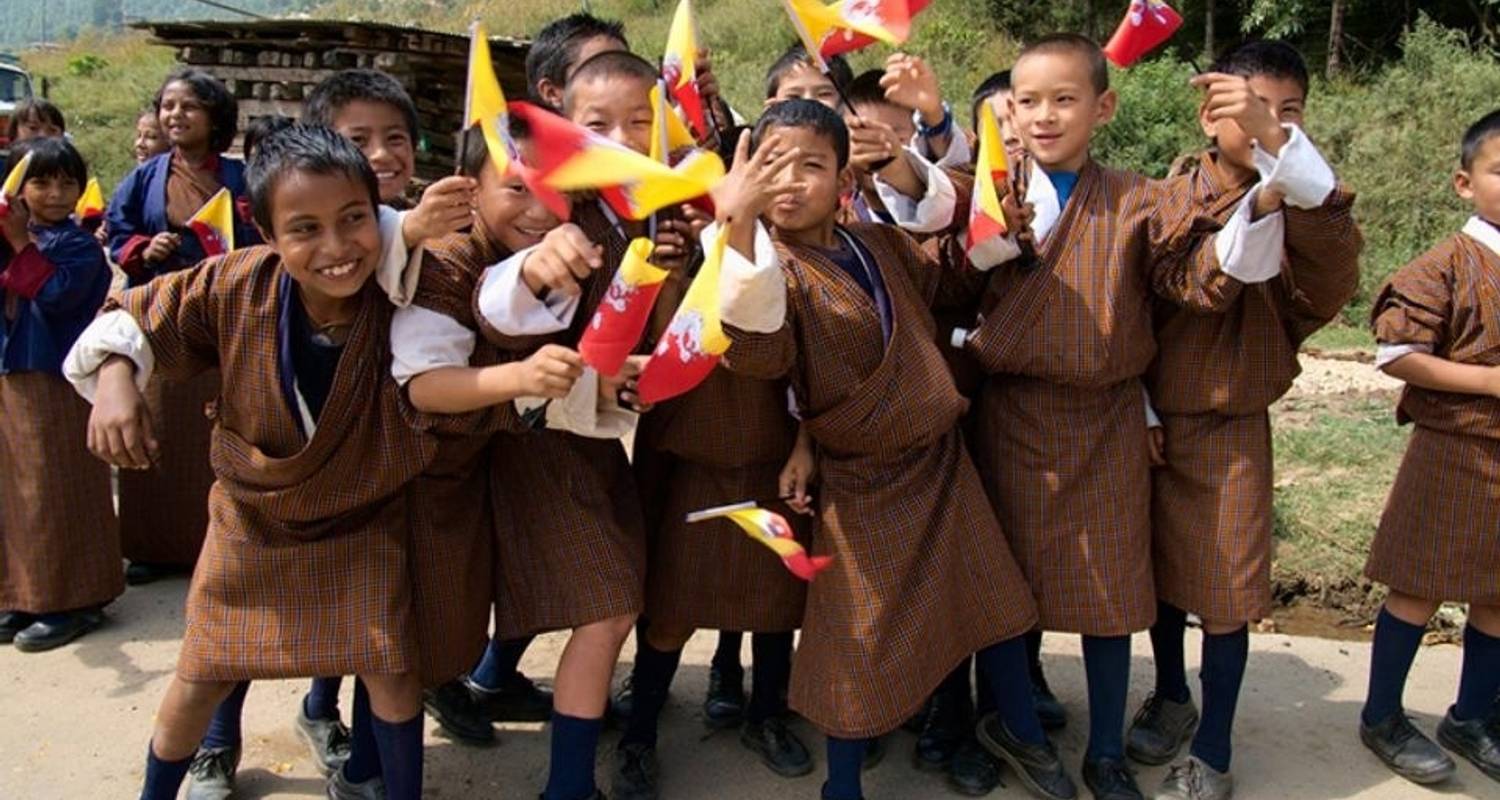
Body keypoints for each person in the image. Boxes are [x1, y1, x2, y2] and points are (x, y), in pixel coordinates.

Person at [955, 34, 1288, 800]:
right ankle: (1022, 732)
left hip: (1106, 422)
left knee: (1112, 597)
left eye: (1065, 99)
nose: (1044, 116)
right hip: (1012, 419)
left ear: (1102, 107)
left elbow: (1190, 278)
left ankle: (1105, 749)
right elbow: (947, 278)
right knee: (1008, 591)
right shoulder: (991, 192)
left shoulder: (1140, 197)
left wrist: (1262, 202)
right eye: (1028, 101)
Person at [715, 97, 1076, 800]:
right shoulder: (770, 269)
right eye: (771, 167)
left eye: (811, 166)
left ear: (844, 179)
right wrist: (739, 225)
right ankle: (841, 786)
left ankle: (1021, 734)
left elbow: (947, 278)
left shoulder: (873, 244)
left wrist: (998, 227)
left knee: (995, 602)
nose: (790, 183)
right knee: (858, 636)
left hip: (939, 460)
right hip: (864, 478)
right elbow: (757, 354)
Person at [66, 123, 435, 800]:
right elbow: (133, 314)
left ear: (380, 215)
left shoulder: (408, 289)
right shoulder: (235, 283)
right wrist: (116, 382)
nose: (336, 247)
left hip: (362, 515)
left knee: (390, 664)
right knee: (202, 672)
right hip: (252, 518)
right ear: (265, 231)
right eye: (305, 229)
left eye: (354, 220)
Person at [1131, 41, 1360, 800]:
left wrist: (1275, 187)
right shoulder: (1163, 199)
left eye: (1287, 113)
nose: (1268, 125)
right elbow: (1170, 289)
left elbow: (1330, 281)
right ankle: (1170, 693)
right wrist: (1141, 406)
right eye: (1252, 108)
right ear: (1208, 114)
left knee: (1226, 590)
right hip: (1156, 418)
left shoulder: (1303, 202)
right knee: (1161, 576)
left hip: (1232, 427)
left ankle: (1216, 750)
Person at [1358, 107, 1500, 789]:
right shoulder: (1446, 264)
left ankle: (1471, 717)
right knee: (1417, 587)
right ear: (1463, 182)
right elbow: (1397, 353)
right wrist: (1491, 382)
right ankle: (1382, 715)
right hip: (1455, 451)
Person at [104, 68, 262, 589]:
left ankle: (218, 536)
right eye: (168, 106)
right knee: (164, 422)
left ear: (214, 116)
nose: (175, 116)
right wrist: (143, 250)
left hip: (226, 313)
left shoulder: (239, 178)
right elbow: (118, 231)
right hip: (164, 312)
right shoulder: (145, 178)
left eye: (188, 106)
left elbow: (264, 227)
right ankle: (156, 545)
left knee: (218, 423)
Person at [0, 136, 119, 652]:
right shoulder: (13, 236)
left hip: (57, 378)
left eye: (66, 182)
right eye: (41, 182)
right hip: (13, 375)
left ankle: (74, 598)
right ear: (18, 188)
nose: (54, 193)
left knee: (55, 487)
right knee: (18, 492)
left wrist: (21, 246)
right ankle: (25, 593)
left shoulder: (77, 245)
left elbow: (57, 295)